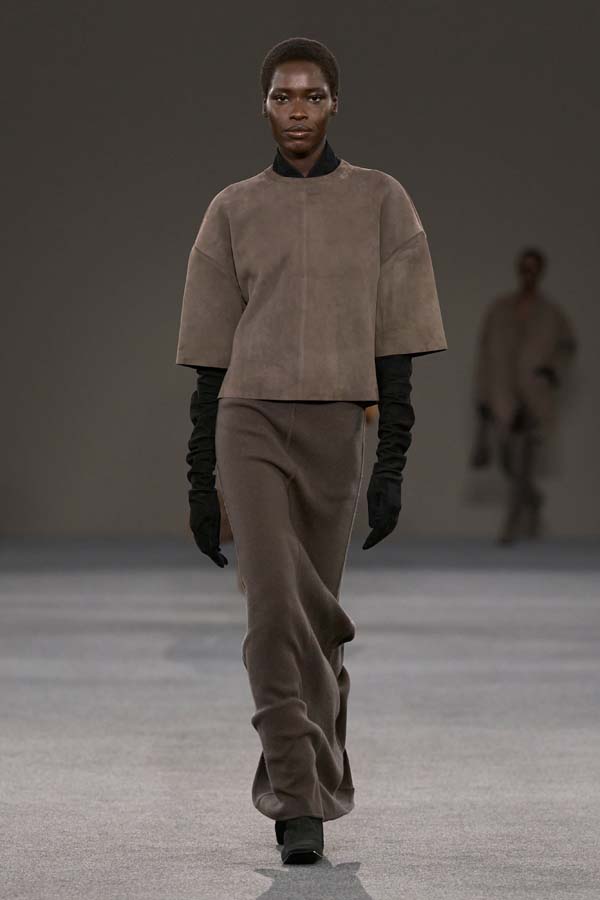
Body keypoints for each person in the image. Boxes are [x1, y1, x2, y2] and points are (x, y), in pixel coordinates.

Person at [175, 37, 447, 864]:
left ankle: (316, 782)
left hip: (336, 425)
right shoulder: (232, 209)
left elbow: (396, 345)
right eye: (283, 96)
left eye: (313, 96)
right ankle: (299, 802)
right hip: (249, 417)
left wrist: (391, 463)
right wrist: (199, 480)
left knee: (316, 621)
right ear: (263, 107)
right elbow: (210, 358)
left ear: (335, 105)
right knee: (271, 613)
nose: (297, 110)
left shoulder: (381, 201)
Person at [471, 247, 577, 544]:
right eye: (524, 268)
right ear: (518, 270)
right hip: (502, 396)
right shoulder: (499, 310)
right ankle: (533, 498)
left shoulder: (552, 313)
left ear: (540, 272)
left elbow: (568, 347)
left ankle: (510, 528)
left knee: (522, 462)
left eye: (533, 268)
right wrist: (483, 398)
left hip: (534, 397)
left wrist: (552, 370)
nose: (527, 274)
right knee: (508, 460)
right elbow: (485, 355)